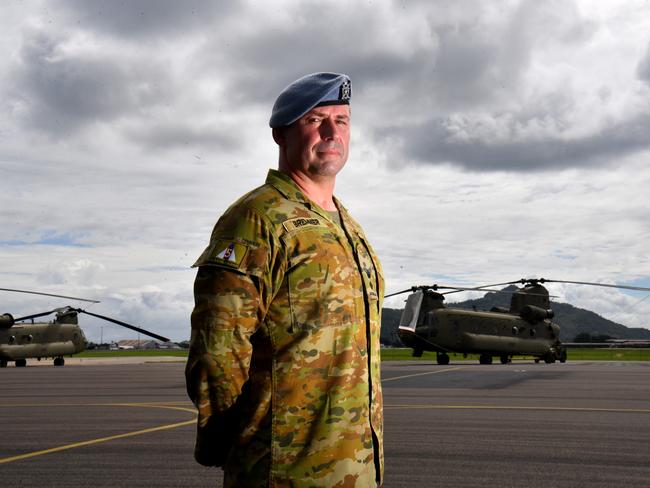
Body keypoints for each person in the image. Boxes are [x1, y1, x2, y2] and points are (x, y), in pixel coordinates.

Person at [185, 72, 384, 487]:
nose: (332, 132)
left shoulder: (347, 225)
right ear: (281, 134)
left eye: (341, 121)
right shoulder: (256, 220)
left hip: (357, 468)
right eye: (315, 120)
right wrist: (228, 445)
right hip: (285, 471)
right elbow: (217, 351)